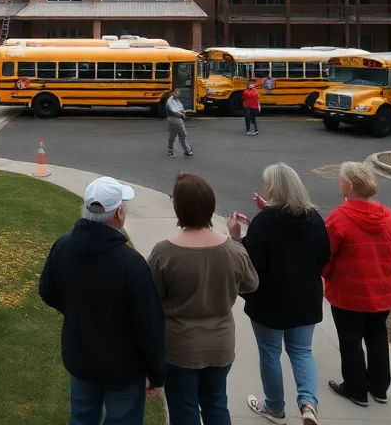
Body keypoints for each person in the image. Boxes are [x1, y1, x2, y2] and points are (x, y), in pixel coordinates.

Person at [39, 177, 166, 425]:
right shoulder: (130, 264)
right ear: (118, 214)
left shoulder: (63, 247)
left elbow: (47, 291)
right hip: (123, 370)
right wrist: (157, 373)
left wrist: (74, 310)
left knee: (82, 416)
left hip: (81, 359)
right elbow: (149, 325)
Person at [148, 173, 258, 425]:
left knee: (184, 409)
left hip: (180, 347)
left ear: (179, 208)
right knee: (216, 403)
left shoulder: (164, 253)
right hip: (220, 345)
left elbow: (152, 298)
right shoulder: (234, 250)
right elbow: (251, 285)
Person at [230, 163, 330, 425]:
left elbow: (252, 264)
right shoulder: (314, 218)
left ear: (273, 188)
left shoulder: (264, 222)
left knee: (270, 353)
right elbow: (323, 256)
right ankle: (308, 403)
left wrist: (237, 238)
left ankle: (275, 408)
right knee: (301, 351)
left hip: (269, 301)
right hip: (305, 298)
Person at [322, 161, 391, 408]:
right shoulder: (389, 216)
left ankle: (355, 388)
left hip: (349, 293)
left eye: (340, 179)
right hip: (381, 293)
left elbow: (324, 257)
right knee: (377, 337)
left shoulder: (339, 218)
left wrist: (326, 275)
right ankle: (379, 387)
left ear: (348, 185)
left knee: (350, 340)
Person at [165, 89, 193, 158]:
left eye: (179, 92)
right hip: (174, 119)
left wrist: (183, 112)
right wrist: (182, 114)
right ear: (172, 93)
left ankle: (173, 151)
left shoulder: (176, 100)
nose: (178, 93)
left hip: (176, 119)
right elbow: (174, 111)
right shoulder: (170, 101)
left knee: (176, 135)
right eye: (176, 92)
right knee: (178, 135)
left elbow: (180, 109)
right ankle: (186, 150)